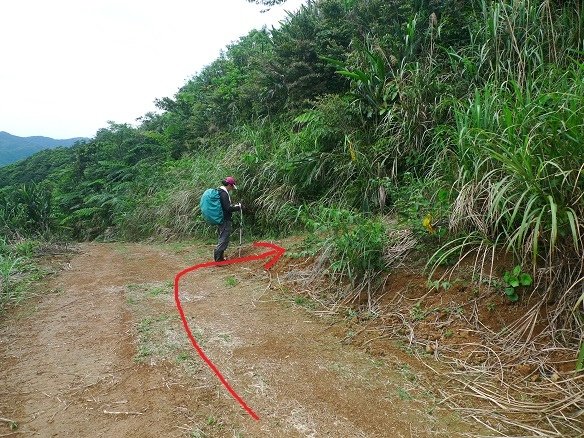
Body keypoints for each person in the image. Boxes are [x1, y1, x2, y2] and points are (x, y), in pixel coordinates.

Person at [214, 176, 242, 262]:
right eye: (232, 186)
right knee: (224, 238)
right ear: (229, 185)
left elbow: (225, 206)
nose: (232, 188)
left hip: (222, 218)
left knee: (223, 237)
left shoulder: (221, 191)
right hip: (225, 219)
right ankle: (218, 259)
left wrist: (236, 206)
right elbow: (227, 208)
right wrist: (238, 207)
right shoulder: (224, 193)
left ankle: (220, 257)